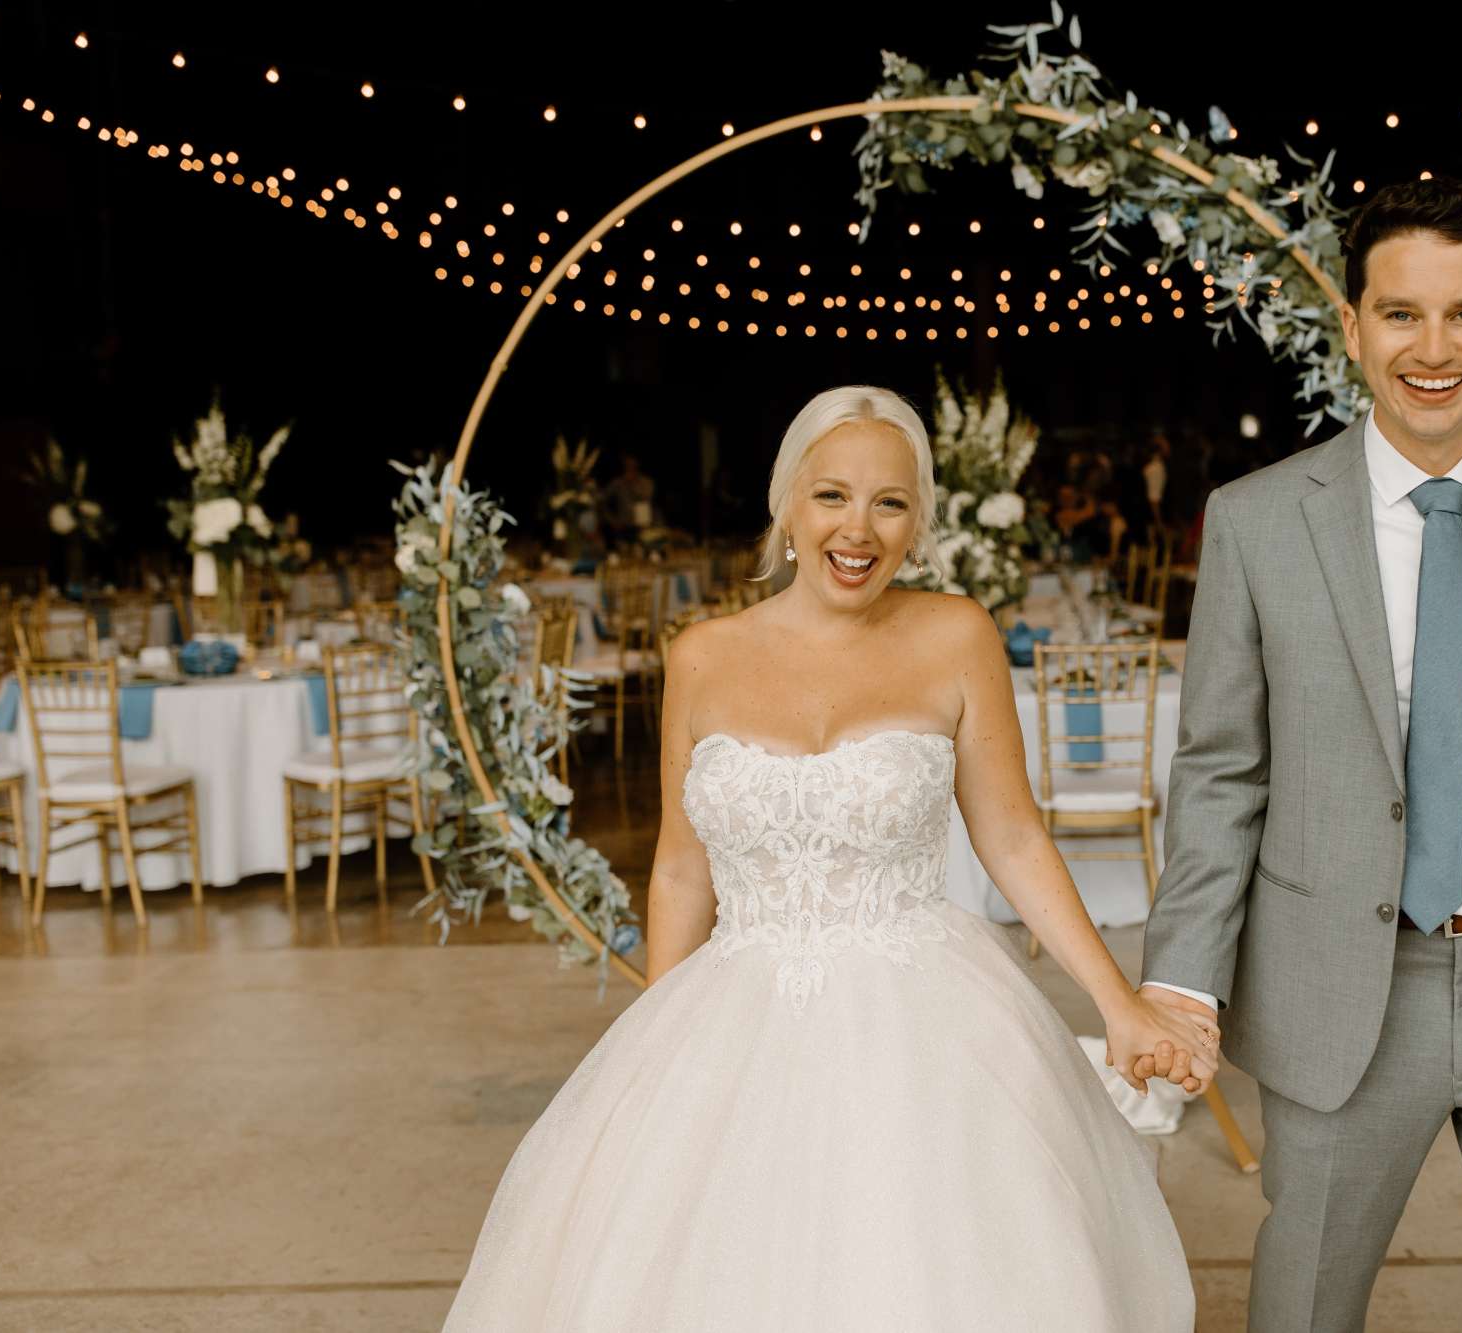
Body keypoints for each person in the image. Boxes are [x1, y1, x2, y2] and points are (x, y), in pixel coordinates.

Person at [444, 386, 1210, 1331]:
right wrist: (653, 1057)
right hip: (738, 1003)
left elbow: (1011, 835)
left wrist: (1118, 1002)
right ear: (788, 507)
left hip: (922, 1011)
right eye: (833, 496)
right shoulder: (702, 655)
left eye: (891, 502)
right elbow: (682, 870)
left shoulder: (956, 634)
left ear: (917, 520)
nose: (860, 528)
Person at [1135, 176, 1462, 1330]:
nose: (1433, 349)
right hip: (1342, 981)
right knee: (1307, 1298)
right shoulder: (1256, 519)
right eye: (1400, 314)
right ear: (1353, 325)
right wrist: (1181, 974)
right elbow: (1221, 768)